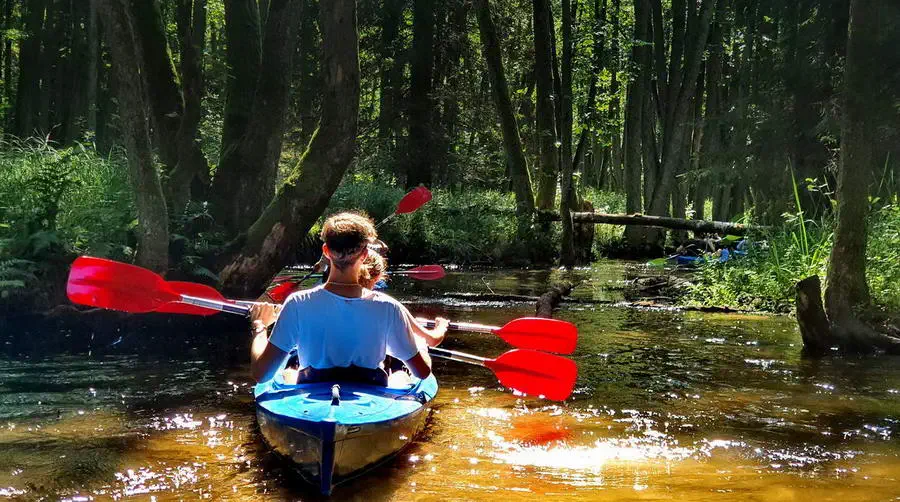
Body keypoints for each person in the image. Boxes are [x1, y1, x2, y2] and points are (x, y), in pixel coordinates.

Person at [249, 212, 434, 385]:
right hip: (369, 395)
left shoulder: (297, 303)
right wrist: (420, 343)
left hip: (312, 395)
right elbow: (422, 372)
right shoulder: (389, 307)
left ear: (326, 251)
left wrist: (260, 327)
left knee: (288, 370)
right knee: (401, 374)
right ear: (365, 255)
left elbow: (261, 374)